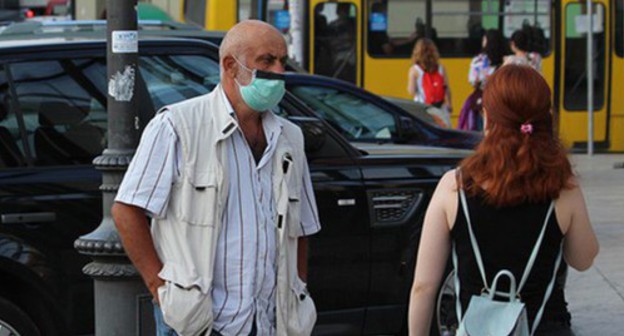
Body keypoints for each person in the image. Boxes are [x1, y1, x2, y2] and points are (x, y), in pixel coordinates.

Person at [112, 20, 321, 336]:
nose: (279, 72)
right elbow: (127, 210)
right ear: (230, 66)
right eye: (267, 61)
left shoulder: (289, 137)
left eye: (283, 61)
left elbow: (301, 227)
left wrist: (298, 289)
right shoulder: (178, 126)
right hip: (200, 323)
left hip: (269, 321)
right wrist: (162, 289)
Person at [407, 65, 599, 336]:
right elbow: (583, 259)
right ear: (546, 119)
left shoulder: (455, 186)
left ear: (487, 119)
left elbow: (423, 286)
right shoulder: (562, 188)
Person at [459, 29, 508, 131]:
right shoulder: (507, 60)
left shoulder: (478, 60)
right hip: (501, 101)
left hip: (483, 100)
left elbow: (473, 80)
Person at [407, 38, 452, 127]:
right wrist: (449, 104)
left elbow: (411, 91)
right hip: (440, 108)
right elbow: (446, 88)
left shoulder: (414, 70)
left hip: (422, 108)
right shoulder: (440, 68)